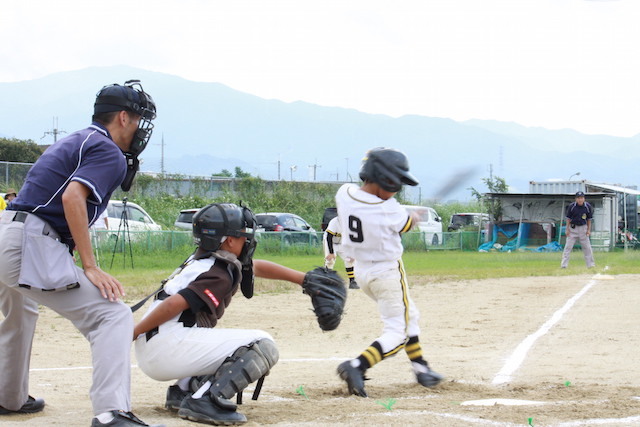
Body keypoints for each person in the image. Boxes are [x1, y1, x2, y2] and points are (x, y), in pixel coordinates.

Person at [0, 80, 162, 427]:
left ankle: (7, 396)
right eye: (136, 120)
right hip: (25, 244)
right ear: (122, 117)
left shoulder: (74, 139)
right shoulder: (108, 151)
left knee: (20, 311)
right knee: (112, 316)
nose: (138, 129)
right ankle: (111, 413)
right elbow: (72, 198)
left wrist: (62, 252)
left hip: (8, 234)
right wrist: (90, 265)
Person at [133, 203, 311, 425]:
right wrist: (133, 331)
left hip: (156, 346)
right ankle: (204, 400)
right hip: (166, 348)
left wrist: (304, 279)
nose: (248, 241)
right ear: (229, 240)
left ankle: (185, 389)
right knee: (261, 344)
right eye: (243, 236)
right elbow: (174, 304)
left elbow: (255, 267)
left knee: (220, 341)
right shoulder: (219, 273)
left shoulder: (204, 261)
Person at [334, 147, 443, 397]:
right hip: (387, 274)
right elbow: (403, 223)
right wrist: (413, 217)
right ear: (385, 179)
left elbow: (374, 205)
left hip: (361, 272)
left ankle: (420, 367)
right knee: (399, 331)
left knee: (409, 315)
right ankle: (357, 365)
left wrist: (404, 213)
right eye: (396, 184)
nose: (396, 190)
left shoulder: (344, 193)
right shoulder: (390, 209)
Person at [323, 214, 359, 289]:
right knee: (330, 260)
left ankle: (352, 281)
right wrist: (331, 252)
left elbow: (352, 238)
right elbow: (329, 237)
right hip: (330, 241)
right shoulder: (335, 221)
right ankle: (326, 282)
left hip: (342, 243)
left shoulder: (351, 222)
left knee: (350, 260)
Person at [561, 191, 595, 268]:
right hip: (573, 229)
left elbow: (589, 219)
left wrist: (588, 230)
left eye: (582, 198)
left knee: (587, 248)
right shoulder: (572, 206)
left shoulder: (587, 206)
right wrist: (567, 229)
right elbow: (568, 219)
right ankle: (564, 265)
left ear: (584, 198)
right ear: (576, 199)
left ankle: (590, 265)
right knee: (568, 247)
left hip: (583, 228)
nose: (580, 200)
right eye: (579, 198)